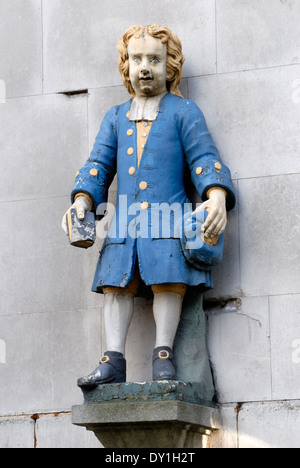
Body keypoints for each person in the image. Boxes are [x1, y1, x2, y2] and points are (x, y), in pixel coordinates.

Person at [62, 25, 236, 387]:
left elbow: (204, 157)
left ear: (169, 67)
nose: (145, 67)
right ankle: (112, 360)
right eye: (137, 59)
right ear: (125, 66)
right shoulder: (114, 117)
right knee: (115, 285)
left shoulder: (183, 112)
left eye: (154, 59)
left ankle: (163, 358)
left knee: (168, 281)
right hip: (124, 221)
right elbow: (97, 165)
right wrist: (82, 200)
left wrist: (216, 194)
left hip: (168, 219)